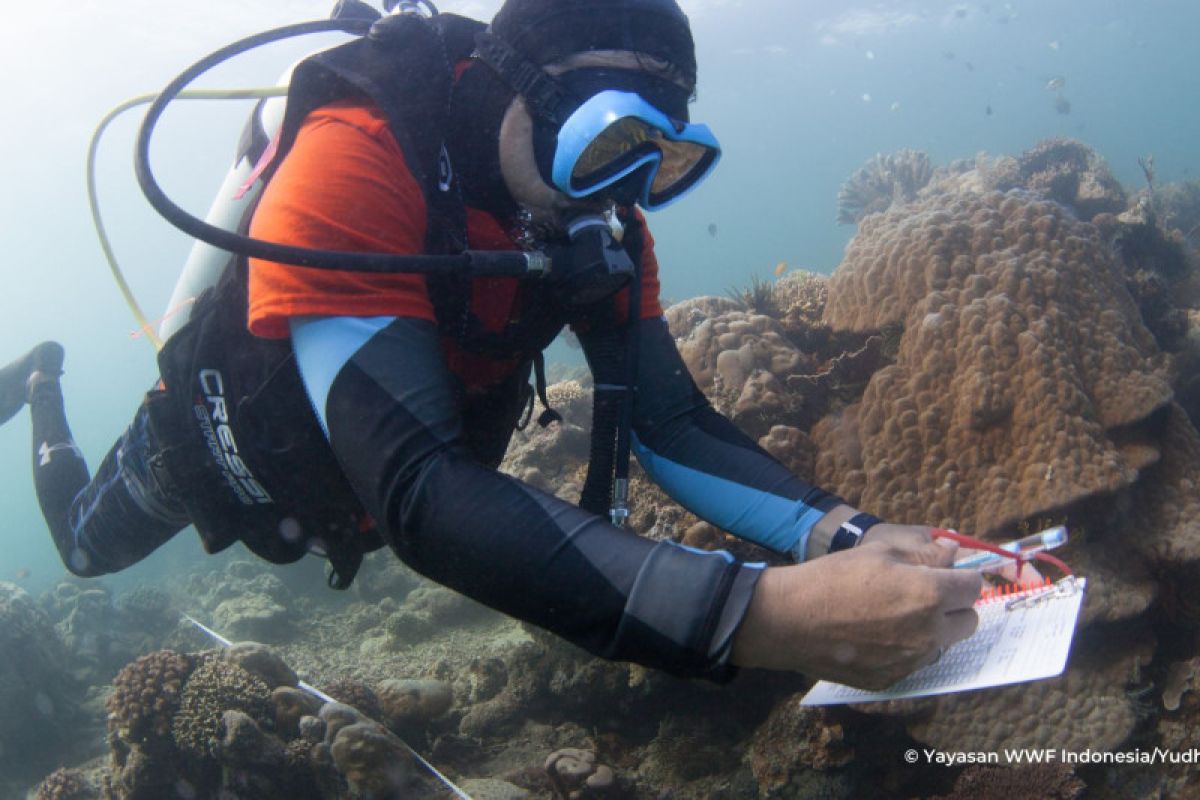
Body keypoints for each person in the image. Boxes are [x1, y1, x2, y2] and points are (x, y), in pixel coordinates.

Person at [0, 0, 980, 690]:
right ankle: (44, 378)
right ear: (517, 87)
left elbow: (671, 423)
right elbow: (421, 491)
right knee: (87, 548)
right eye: (606, 142)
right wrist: (756, 616)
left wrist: (842, 531)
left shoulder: (599, 231)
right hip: (220, 450)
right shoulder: (355, 159)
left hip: (352, 497)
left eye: (660, 160)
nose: (623, 194)